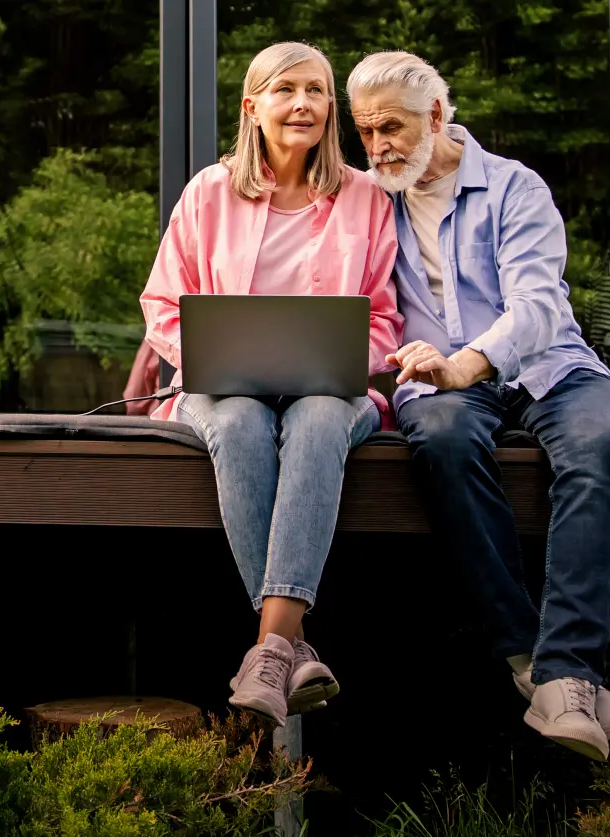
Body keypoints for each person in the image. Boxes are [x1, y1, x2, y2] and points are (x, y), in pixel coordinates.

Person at [346, 51, 610, 761]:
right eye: (364, 132)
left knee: (598, 442)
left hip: (544, 363)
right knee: (440, 439)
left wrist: (464, 362)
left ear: (437, 116)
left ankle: (568, 667)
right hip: (437, 385)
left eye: (392, 128)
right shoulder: (362, 200)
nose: (378, 146)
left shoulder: (513, 187)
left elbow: (536, 306)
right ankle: (537, 664)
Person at [140, 42, 403, 728]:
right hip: (221, 391)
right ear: (252, 107)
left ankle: (265, 650)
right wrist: (203, 358)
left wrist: (350, 354)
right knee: (237, 421)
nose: (303, 104)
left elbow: (384, 317)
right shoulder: (208, 191)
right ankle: (290, 647)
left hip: (331, 392)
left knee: (318, 415)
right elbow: (163, 305)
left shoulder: (364, 196)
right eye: (286, 90)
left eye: (316, 91)